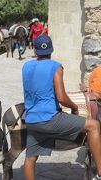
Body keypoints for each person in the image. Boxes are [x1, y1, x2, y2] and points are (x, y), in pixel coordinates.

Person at [22, 35, 101, 180]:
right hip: (50, 119)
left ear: (35, 51)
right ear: (51, 50)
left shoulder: (26, 66)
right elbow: (61, 97)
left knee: (30, 158)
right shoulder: (55, 66)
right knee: (94, 125)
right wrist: (74, 106)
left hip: (31, 120)